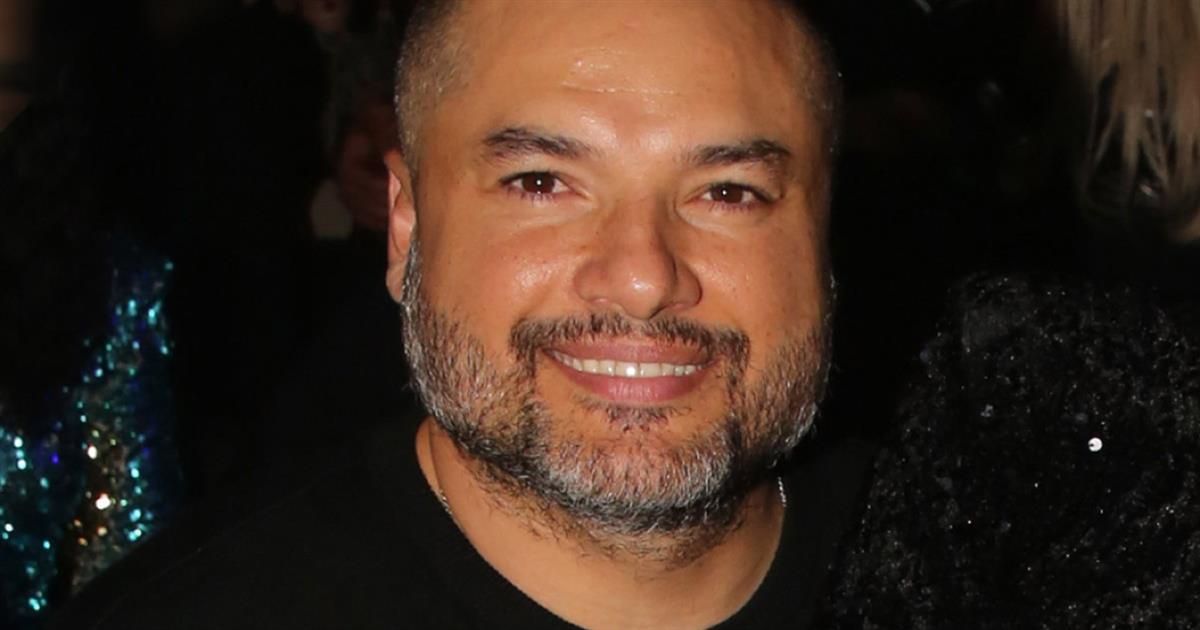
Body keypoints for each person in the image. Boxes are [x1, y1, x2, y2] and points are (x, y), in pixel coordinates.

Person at [53, 1, 876, 628]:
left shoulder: (945, 543)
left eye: (729, 193)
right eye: (540, 184)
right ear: (405, 230)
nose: (640, 280)